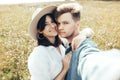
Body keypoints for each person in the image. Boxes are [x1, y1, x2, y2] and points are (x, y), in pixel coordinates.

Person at [55, 3, 120, 80]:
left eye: (65, 23)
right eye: (58, 23)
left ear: (77, 24)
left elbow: (91, 60)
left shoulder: (84, 46)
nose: (60, 27)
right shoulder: (63, 43)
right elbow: (90, 31)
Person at [28, 5, 94, 80]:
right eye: (46, 24)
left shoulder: (62, 43)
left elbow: (90, 31)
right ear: (40, 30)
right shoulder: (39, 53)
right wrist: (65, 69)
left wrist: (82, 34)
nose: (52, 26)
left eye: (52, 22)